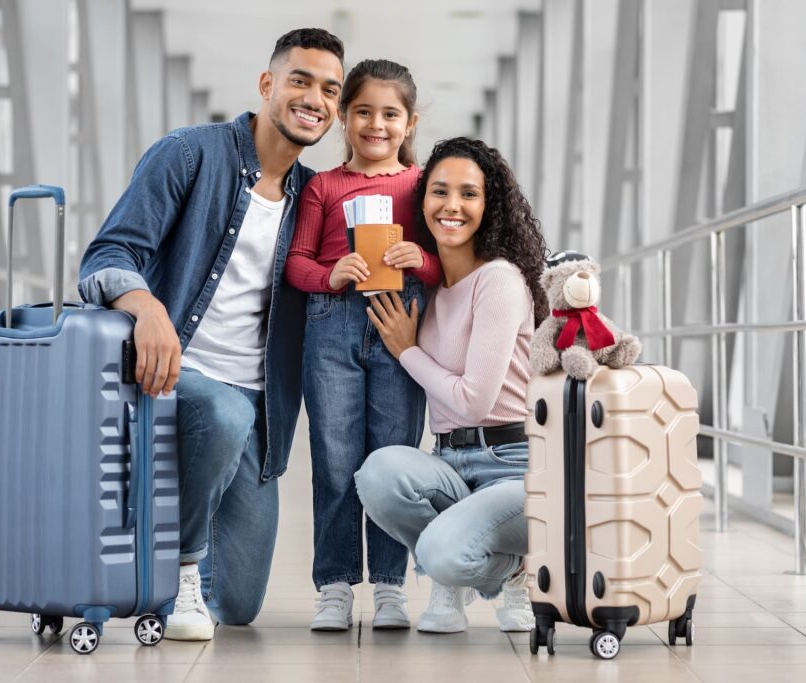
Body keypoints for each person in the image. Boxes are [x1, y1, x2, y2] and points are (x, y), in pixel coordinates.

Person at [77, 28, 345, 641]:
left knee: (240, 603)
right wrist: (147, 309)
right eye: (300, 80)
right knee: (223, 412)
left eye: (330, 90)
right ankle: (180, 569)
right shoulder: (190, 154)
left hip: (260, 403)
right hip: (174, 374)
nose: (315, 99)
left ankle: (180, 553)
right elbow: (107, 254)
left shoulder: (313, 198)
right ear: (267, 84)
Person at [355, 137, 547, 633]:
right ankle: (468, 568)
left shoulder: (499, 280)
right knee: (377, 474)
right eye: (440, 192)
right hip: (449, 460)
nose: (452, 206)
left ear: (489, 205)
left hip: (514, 466)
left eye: (469, 194)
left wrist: (407, 352)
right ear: (422, 203)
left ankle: (514, 571)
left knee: (442, 552)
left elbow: (474, 401)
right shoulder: (432, 291)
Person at [284, 59, 442, 631]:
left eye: (390, 114)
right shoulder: (323, 187)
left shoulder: (422, 187)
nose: (377, 125)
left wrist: (419, 259)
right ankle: (334, 585)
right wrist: (330, 274)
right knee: (334, 460)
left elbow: (444, 266)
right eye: (364, 113)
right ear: (344, 119)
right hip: (333, 326)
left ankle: (390, 587)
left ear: (410, 122)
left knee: (393, 458)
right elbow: (296, 263)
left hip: (401, 324)